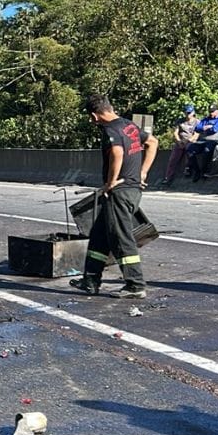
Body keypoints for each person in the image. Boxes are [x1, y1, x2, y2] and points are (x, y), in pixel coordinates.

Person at [70, 94, 158, 299]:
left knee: (121, 237)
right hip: (131, 188)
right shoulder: (129, 125)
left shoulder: (110, 130)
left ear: (94, 115)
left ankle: (135, 285)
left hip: (120, 191)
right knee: (99, 234)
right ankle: (90, 280)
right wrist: (143, 172)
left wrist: (110, 182)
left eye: (91, 118)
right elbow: (153, 142)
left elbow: (117, 154)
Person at [186, 103, 218, 182]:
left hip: (216, 140)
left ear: (217, 111)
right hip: (204, 140)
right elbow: (197, 128)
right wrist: (205, 127)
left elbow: (215, 129)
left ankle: (204, 171)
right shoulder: (206, 119)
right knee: (190, 150)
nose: (211, 113)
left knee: (207, 150)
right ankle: (197, 171)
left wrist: (206, 128)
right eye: (210, 111)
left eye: (213, 111)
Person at [160, 104, 197, 185]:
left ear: (193, 112)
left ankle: (188, 169)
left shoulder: (197, 122)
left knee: (189, 150)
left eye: (189, 113)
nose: (188, 114)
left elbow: (196, 134)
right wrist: (179, 141)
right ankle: (168, 177)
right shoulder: (180, 121)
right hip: (181, 141)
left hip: (191, 141)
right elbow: (176, 133)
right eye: (186, 113)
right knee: (173, 159)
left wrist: (189, 141)